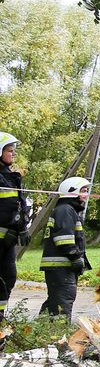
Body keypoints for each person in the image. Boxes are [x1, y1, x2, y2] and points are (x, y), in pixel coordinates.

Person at [40, 177, 89, 319]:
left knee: (55, 300)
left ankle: (42, 327)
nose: (86, 195)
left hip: (60, 266)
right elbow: (63, 239)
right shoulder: (66, 210)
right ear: (72, 192)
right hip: (61, 265)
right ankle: (59, 333)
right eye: (84, 191)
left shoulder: (67, 210)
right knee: (63, 299)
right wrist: (75, 256)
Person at [0, 131, 30, 323]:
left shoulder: (11, 177)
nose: (13, 154)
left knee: (9, 278)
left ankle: (0, 319)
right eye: (10, 150)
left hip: (8, 241)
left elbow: (18, 206)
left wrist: (22, 229)